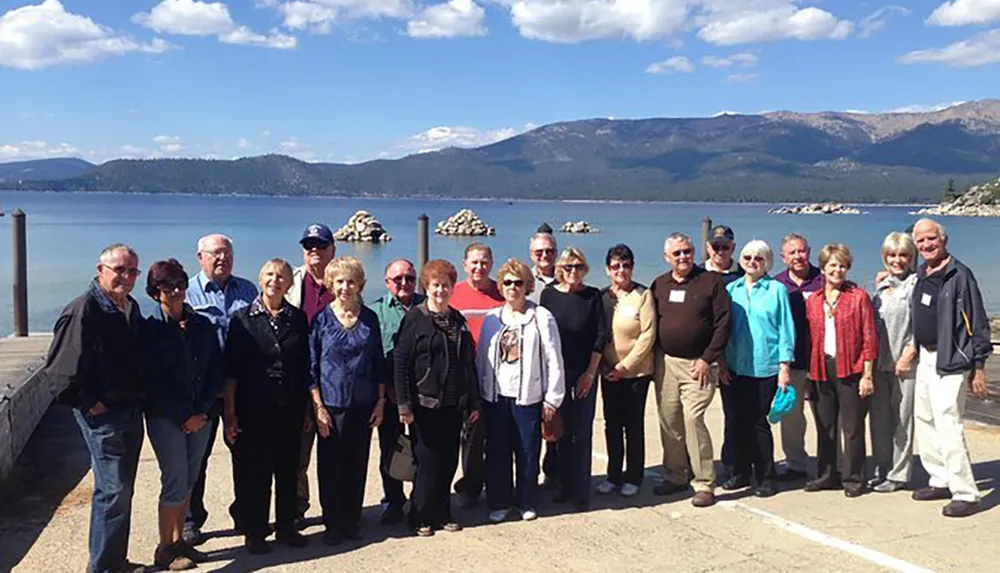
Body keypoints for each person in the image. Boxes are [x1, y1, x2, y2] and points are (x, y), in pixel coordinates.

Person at [45, 244, 147, 573]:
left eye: (132, 271)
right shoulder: (84, 310)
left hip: (130, 409)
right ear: (100, 269)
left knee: (122, 491)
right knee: (112, 490)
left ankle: (115, 561)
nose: (126, 277)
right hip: (103, 416)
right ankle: (102, 567)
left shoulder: (128, 307)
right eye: (120, 269)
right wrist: (89, 402)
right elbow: (60, 372)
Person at [902, 218, 989, 517]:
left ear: (944, 240)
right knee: (925, 419)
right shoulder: (922, 272)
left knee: (948, 423)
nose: (926, 245)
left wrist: (979, 365)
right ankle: (939, 478)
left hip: (953, 359)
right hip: (925, 358)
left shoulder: (960, 275)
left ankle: (966, 492)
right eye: (921, 241)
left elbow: (977, 322)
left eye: (931, 239)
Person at [223, 259, 310, 554]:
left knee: (287, 470)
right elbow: (231, 372)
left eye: (281, 276)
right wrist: (230, 414)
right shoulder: (241, 319)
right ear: (260, 279)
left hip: (290, 407)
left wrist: (309, 410)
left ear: (289, 283)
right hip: (253, 408)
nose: (275, 280)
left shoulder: (298, 319)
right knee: (255, 473)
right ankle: (255, 531)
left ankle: (286, 527)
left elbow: (304, 368)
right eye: (270, 275)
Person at [142, 259, 223, 571]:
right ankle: (165, 547)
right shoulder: (149, 328)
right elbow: (152, 379)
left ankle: (180, 542)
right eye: (168, 286)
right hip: (167, 417)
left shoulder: (201, 323)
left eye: (180, 284)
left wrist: (202, 410)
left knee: (190, 478)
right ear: (155, 292)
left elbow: (216, 367)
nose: (176, 291)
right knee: (174, 479)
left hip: (200, 414)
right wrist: (183, 415)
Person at [394, 259, 481, 536]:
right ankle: (419, 515)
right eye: (435, 285)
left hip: (453, 403)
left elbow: (468, 363)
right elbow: (400, 361)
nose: (440, 290)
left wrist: (473, 401)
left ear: (452, 288)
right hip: (424, 402)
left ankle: (443, 511)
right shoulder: (415, 318)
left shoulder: (457, 320)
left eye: (445, 285)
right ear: (426, 287)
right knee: (427, 461)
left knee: (447, 460)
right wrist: (404, 403)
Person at [184, 234, 258, 544]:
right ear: (199, 257)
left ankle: (246, 515)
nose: (221, 259)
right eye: (214, 254)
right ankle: (191, 520)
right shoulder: (187, 292)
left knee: (246, 455)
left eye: (227, 253)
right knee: (195, 461)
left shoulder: (248, 290)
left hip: (241, 389)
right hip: (203, 392)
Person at [478, 258, 565, 522]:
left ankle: (526, 500)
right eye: (507, 282)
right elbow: (482, 357)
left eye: (518, 282)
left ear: (527, 285)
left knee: (527, 451)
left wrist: (553, 398)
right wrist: (480, 394)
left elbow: (554, 358)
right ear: (501, 286)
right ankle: (500, 501)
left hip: (528, 396)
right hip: (496, 397)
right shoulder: (492, 318)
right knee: (497, 451)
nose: (513, 287)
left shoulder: (541, 317)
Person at [309, 256, 386, 544]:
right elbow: (312, 365)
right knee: (330, 466)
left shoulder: (370, 318)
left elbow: (378, 361)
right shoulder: (321, 319)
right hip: (331, 405)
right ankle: (332, 522)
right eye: (339, 281)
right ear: (331, 284)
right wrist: (318, 405)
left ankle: (352, 520)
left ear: (359, 285)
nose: (345, 287)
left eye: (351, 281)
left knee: (356, 464)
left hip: (364, 404)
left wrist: (380, 401)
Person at [650, 232, 730, 507]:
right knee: (669, 419)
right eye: (677, 253)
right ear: (667, 257)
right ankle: (675, 475)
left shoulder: (710, 282)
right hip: (667, 363)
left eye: (687, 251)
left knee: (693, 419)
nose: (683, 257)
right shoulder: (659, 285)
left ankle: (705, 482)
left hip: (700, 364)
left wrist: (708, 358)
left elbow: (723, 323)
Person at [721, 241, 795, 499]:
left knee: (758, 423)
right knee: (737, 422)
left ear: (767, 262)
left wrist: (785, 366)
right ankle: (741, 472)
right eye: (748, 257)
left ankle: (766, 476)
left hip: (766, 367)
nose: (753, 261)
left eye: (759, 258)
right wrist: (720, 362)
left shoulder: (776, 290)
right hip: (735, 366)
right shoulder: (731, 289)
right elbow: (723, 330)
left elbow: (786, 329)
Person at [803, 244, 877, 498]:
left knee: (853, 427)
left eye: (842, 265)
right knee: (825, 426)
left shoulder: (859, 297)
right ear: (823, 268)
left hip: (851, 368)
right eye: (833, 265)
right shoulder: (813, 300)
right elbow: (810, 339)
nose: (838, 270)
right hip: (822, 368)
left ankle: (854, 479)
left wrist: (867, 374)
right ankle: (826, 475)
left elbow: (869, 337)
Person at [541, 247, 608, 511]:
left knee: (580, 434)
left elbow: (600, 337)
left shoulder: (593, 296)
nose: (573, 272)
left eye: (578, 267)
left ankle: (580, 492)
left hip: (583, 375)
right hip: (555, 374)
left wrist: (590, 373)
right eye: (568, 267)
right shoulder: (548, 296)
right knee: (558, 432)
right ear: (560, 269)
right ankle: (562, 485)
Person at [284, 223, 337, 525]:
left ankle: (335, 510)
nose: (314, 251)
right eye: (308, 246)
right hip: (297, 383)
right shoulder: (290, 282)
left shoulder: (343, 282)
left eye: (320, 245)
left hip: (333, 384)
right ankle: (296, 511)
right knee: (297, 456)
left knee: (332, 455)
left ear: (332, 250)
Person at [594, 244, 655, 498]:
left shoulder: (643, 295)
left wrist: (624, 366)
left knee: (633, 425)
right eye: (616, 266)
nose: (621, 270)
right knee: (612, 424)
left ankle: (634, 477)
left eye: (626, 265)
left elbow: (648, 336)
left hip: (635, 373)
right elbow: (597, 334)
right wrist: (604, 367)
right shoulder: (602, 297)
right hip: (608, 373)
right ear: (608, 269)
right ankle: (613, 475)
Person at [371, 258, 426, 525]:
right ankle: (394, 500)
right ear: (387, 282)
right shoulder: (376, 312)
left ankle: (420, 499)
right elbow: (374, 356)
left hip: (423, 395)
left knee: (423, 448)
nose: (404, 283)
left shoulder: (426, 306)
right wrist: (386, 392)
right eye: (398, 279)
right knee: (390, 450)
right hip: (391, 396)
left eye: (409, 278)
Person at [450, 243, 504, 506]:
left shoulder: (502, 292)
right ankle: (470, 485)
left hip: (497, 375)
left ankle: (496, 483)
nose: (479, 267)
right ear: (465, 265)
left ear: (491, 264)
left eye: (484, 262)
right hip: (464, 374)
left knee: (495, 434)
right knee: (469, 435)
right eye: (474, 262)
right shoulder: (453, 293)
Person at [869, 232, 918, 493]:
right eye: (892, 255)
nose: (897, 260)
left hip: (904, 365)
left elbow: (922, 326)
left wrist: (909, 353)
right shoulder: (881, 284)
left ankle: (899, 474)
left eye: (902, 255)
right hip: (878, 364)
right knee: (878, 420)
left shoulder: (916, 285)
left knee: (902, 420)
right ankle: (881, 468)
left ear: (911, 258)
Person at [773, 233, 824, 482]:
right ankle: (795, 463)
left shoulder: (823, 280)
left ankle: (829, 462)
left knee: (825, 415)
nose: (797, 256)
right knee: (791, 417)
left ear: (809, 252)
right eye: (791, 252)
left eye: (801, 251)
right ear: (783, 257)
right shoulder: (776, 284)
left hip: (821, 361)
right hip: (791, 363)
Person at [704, 224, 744, 481]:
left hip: (733, 358)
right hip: (701, 358)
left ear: (733, 248)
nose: (720, 251)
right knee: (692, 416)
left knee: (735, 414)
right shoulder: (697, 275)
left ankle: (733, 463)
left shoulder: (745, 274)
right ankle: (691, 465)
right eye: (715, 246)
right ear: (708, 248)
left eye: (725, 246)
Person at [528, 231, 558, 303]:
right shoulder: (523, 280)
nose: (544, 255)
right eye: (539, 252)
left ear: (556, 253)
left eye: (549, 251)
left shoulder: (566, 279)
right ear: (531, 255)